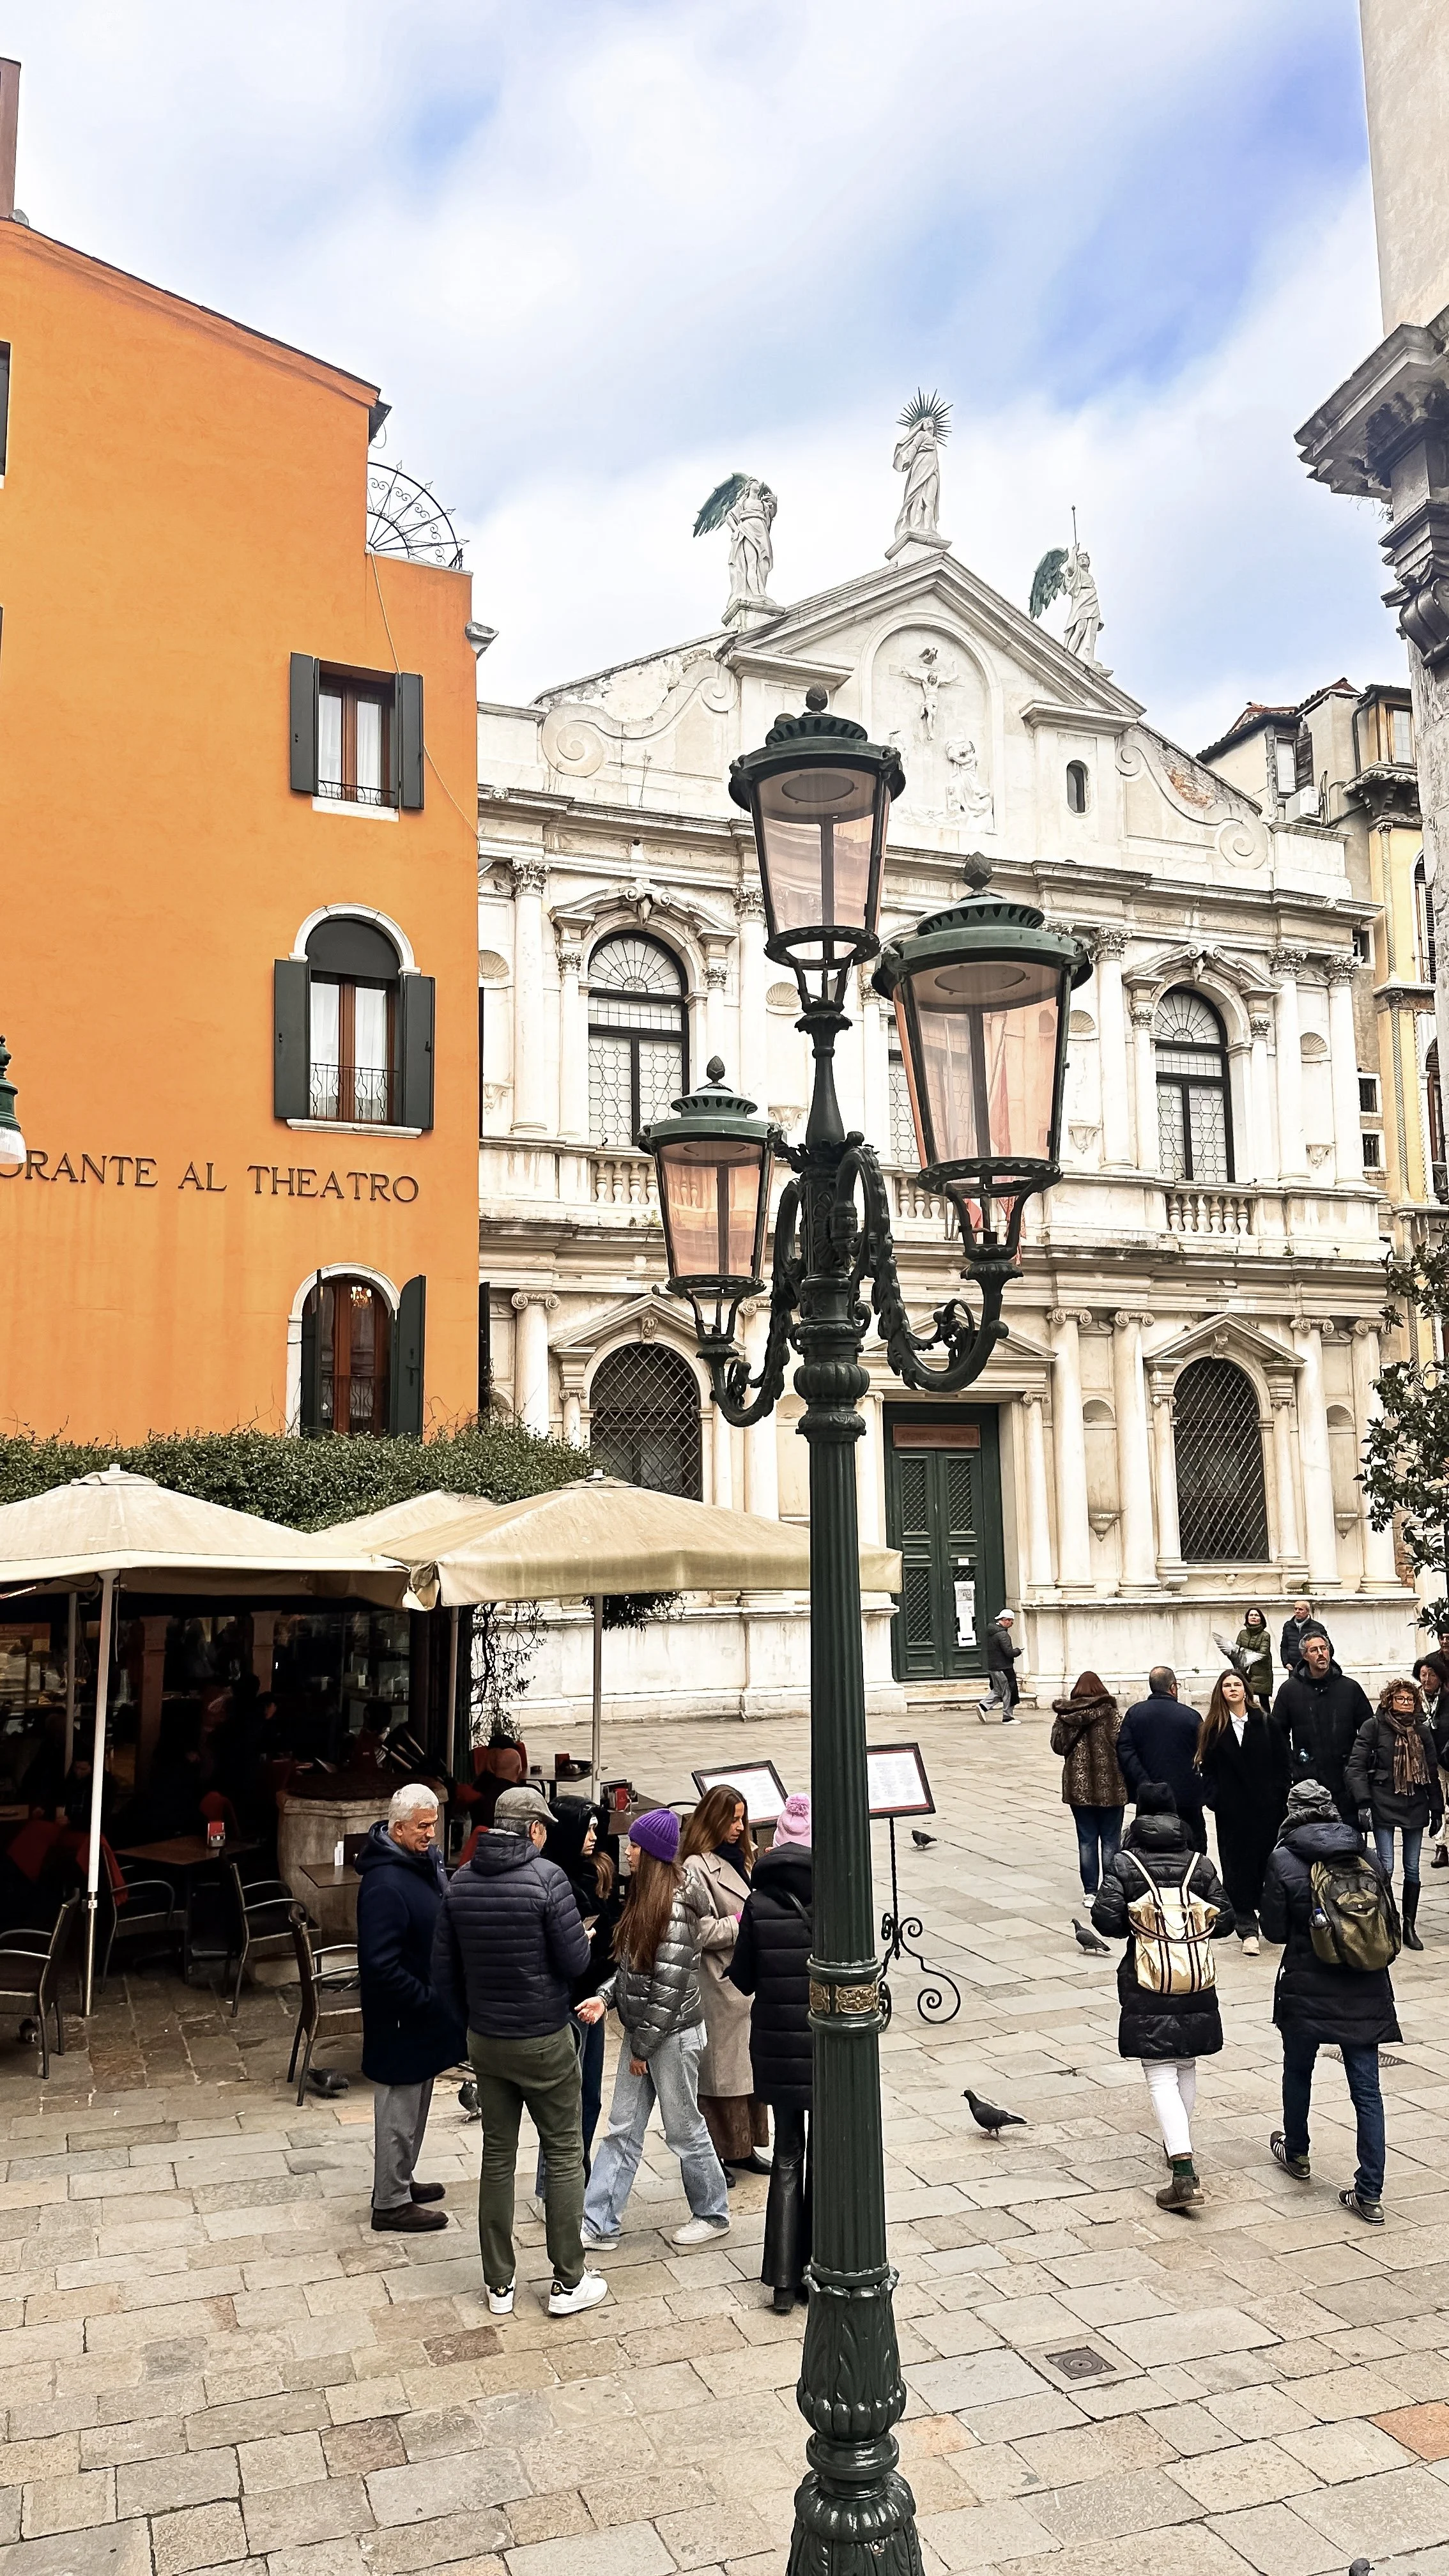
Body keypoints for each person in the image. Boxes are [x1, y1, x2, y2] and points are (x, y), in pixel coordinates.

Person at [431, 1782, 608, 2322]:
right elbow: (575, 1963)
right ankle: (568, 2279)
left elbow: (444, 1973)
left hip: (487, 2039)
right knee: (564, 2152)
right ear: (533, 1829)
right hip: (543, 2035)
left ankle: (499, 2283)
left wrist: (472, 2022)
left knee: (497, 2156)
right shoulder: (548, 1879)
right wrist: (581, 1939)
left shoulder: (460, 1883)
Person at [582, 1807, 731, 2252]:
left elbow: (668, 1988)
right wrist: (605, 1997)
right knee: (622, 2129)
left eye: (634, 1846)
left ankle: (713, 2213)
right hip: (645, 2033)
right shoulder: (645, 1896)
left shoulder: (675, 1906)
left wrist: (641, 2050)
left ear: (650, 1854)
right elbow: (634, 1970)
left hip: (671, 2037)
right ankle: (599, 2224)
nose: (627, 1853)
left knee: (683, 2130)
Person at [1261, 1777, 1399, 2223]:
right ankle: (1370, 2193)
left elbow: (1274, 1931)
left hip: (1308, 1985)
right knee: (1367, 2090)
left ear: (1291, 1812)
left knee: (1299, 2069)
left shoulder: (1284, 1858)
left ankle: (1297, 2152)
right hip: (1365, 1986)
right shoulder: (1366, 1855)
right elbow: (1388, 1921)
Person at [1090, 1782, 1232, 2212]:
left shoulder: (1125, 1863)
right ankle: (1176, 2146)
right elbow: (1225, 1920)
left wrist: (1142, 1921)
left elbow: (1106, 1921)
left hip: (1147, 1978)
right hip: (1194, 1978)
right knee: (1185, 2062)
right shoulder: (1198, 1864)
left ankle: (1183, 2171)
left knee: (1159, 2072)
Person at [354, 1784, 467, 2235]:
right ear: (398, 1828)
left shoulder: (419, 1864)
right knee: (397, 2112)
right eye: (422, 1826)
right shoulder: (384, 1883)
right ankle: (390, 2203)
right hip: (401, 2018)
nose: (431, 1834)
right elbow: (379, 1966)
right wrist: (427, 1998)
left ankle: (399, 2181)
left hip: (420, 2015)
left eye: (433, 1824)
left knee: (415, 2105)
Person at [728, 1791, 813, 2312]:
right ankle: (820, 2262)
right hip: (824, 2048)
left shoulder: (757, 1906)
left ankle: (783, 2281)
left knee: (786, 2152)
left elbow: (742, 1979)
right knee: (825, 2153)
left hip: (776, 2046)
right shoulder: (835, 1899)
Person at [680, 1786, 770, 2175]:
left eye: (742, 1819)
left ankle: (744, 2148)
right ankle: (717, 2152)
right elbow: (698, 1932)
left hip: (748, 1980)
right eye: (732, 1819)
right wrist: (741, 1922)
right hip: (719, 1983)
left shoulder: (746, 1858)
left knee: (748, 2068)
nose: (738, 1827)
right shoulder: (695, 1867)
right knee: (720, 2074)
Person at [533, 1797, 620, 2195]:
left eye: (596, 1828)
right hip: (566, 2003)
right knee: (565, 2101)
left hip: (593, 1999)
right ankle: (555, 2184)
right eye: (586, 1829)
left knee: (590, 2097)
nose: (593, 1836)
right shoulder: (551, 1879)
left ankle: (576, 2173)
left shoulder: (595, 1872)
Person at [1195, 1668, 1290, 1954]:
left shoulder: (1266, 1723)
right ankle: (1247, 1927)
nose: (1233, 1689)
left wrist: (1278, 1797)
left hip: (1267, 1811)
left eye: (1238, 1684)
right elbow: (1208, 1769)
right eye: (1227, 1685)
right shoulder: (1213, 1728)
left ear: (1246, 1690)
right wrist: (1215, 1799)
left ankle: (1272, 1921)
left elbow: (1283, 1764)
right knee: (1236, 1869)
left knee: (1268, 1865)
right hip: (1232, 1813)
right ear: (1221, 1692)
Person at [1346, 1678, 1443, 1949]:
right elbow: (1356, 1765)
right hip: (1383, 1800)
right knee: (1385, 1865)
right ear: (1389, 1701)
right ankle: (1388, 1921)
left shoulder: (1422, 1731)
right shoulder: (1374, 1727)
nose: (1406, 1703)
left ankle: (1409, 1925)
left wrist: (1437, 1808)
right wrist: (1363, 1802)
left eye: (1410, 1699)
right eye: (1400, 1698)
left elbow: (1431, 1771)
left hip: (1415, 1803)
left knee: (1412, 1867)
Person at [1273, 1631, 1374, 1827]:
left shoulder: (1350, 1688)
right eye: (1314, 1650)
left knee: (1348, 1837)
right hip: (1308, 1780)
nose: (1321, 1654)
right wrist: (1292, 1766)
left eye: (1324, 1648)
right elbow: (1278, 1734)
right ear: (1305, 1656)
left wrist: (1358, 1763)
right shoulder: (1289, 1690)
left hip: (1346, 1779)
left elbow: (1368, 1730)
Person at [1049, 1671, 1126, 1897]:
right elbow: (1123, 1745)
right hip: (1111, 1787)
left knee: (1086, 1840)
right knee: (1111, 1841)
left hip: (1078, 1788)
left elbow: (1057, 1746)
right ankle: (1110, 1891)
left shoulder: (1066, 1716)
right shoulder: (1112, 1715)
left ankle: (1090, 1892)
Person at [1117, 1667, 1206, 1850]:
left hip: (1149, 1795)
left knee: (1148, 1842)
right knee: (1192, 1842)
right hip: (1186, 1795)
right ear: (1173, 1688)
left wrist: (1143, 1781)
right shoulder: (1190, 1716)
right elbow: (1204, 1751)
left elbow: (1125, 1750)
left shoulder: (1135, 1713)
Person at [1416, 1652, 1449, 1869]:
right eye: (1423, 1675)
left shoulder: (1447, 1698)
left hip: (1448, 1756)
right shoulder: (1414, 1699)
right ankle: (1441, 1846)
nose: (1427, 1679)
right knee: (1439, 1802)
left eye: (1432, 1675)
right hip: (1429, 1760)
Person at [979, 1609, 1020, 1722]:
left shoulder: (990, 1632)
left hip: (992, 1666)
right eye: (1011, 1621)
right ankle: (1008, 1717)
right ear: (1006, 1620)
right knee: (1009, 1691)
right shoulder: (1003, 1634)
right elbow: (1009, 1652)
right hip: (1004, 1667)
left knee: (999, 1690)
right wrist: (1017, 1651)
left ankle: (983, 1706)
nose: (1012, 1624)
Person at [1235, 1608, 1274, 1706]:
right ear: (1247, 1618)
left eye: (1256, 1615)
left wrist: (1245, 1654)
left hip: (1261, 1672)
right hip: (1245, 1672)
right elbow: (1237, 1652)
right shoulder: (1242, 1634)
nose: (1253, 1617)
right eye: (1251, 1615)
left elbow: (1263, 1653)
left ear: (1261, 1619)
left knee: (1264, 1702)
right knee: (1245, 1701)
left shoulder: (1265, 1635)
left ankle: (1266, 1717)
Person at [1280, 1601, 1330, 1671]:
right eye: (1296, 1609)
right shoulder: (1288, 1626)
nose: (1297, 1611)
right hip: (1293, 1667)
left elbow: (1328, 1647)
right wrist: (1286, 1663)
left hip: (1311, 1668)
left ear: (1307, 1612)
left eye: (1301, 1609)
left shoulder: (1317, 1627)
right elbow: (1284, 1646)